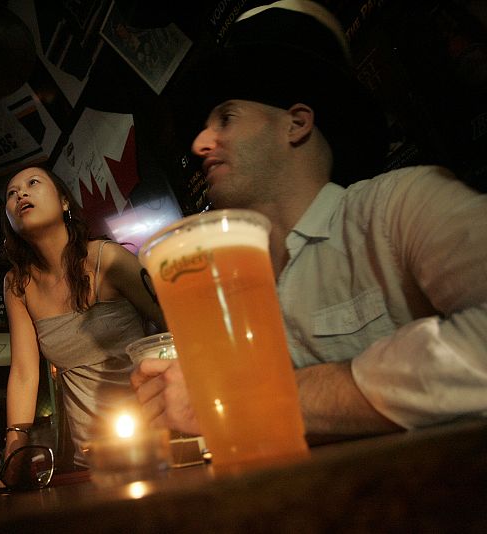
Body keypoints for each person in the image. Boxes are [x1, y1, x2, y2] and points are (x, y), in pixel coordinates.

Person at [132, 0, 487, 443]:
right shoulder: (229, 289)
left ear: (296, 124)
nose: (201, 143)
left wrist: (251, 397)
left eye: (226, 117)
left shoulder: (400, 207)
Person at [2, 166, 164, 467]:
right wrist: (15, 447)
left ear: (64, 202)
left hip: (158, 439)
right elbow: (25, 373)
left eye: (32, 183)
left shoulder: (106, 258)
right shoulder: (17, 284)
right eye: (11, 194)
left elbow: (175, 324)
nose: (20, 194)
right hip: (91, 458)